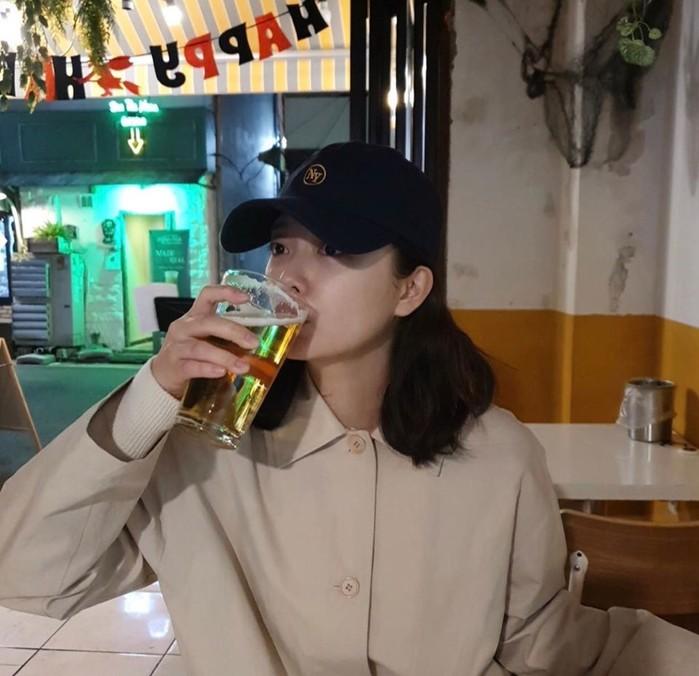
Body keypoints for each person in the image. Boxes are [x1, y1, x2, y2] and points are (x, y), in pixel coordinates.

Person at [0, 142, 697, 676]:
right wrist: (151, 393)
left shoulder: (500, 457)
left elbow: (542, 647)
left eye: (334, 249)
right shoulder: (202, 448)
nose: (289, 277)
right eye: (280, 247)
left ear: (409, 289)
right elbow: (29, 576)